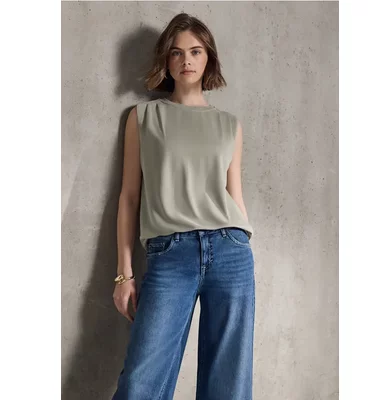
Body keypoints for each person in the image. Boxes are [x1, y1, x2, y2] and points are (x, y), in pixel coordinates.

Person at [111, 12, 255, 400]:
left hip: (231, 250)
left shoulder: (229, 125)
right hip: (170, 253)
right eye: (176, 52)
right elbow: (129, 197)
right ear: (166, 59)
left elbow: (235, 195)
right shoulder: (143, 117)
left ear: (209, 58)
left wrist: (245, 244)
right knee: (141, 381)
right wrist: (124, 275)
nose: (186, 60)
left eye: (195, 51)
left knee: (229, 382)